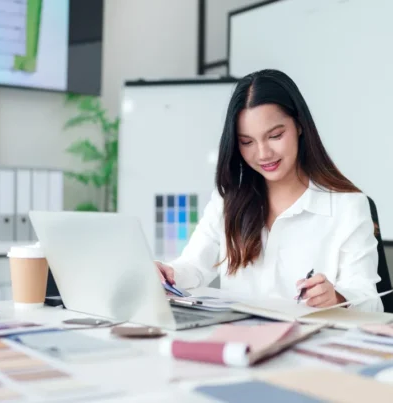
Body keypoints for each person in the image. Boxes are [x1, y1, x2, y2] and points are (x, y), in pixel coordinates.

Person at [156, 69, 383, 312]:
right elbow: (193, 266)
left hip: (307, 342)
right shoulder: (228, 199)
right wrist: (169, 274)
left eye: (275, 135)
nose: (263, 154)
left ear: (299, 125)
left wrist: (337, 297)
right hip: (242, 342)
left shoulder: (347, 206)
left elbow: (371, 302)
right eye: (247, 142)